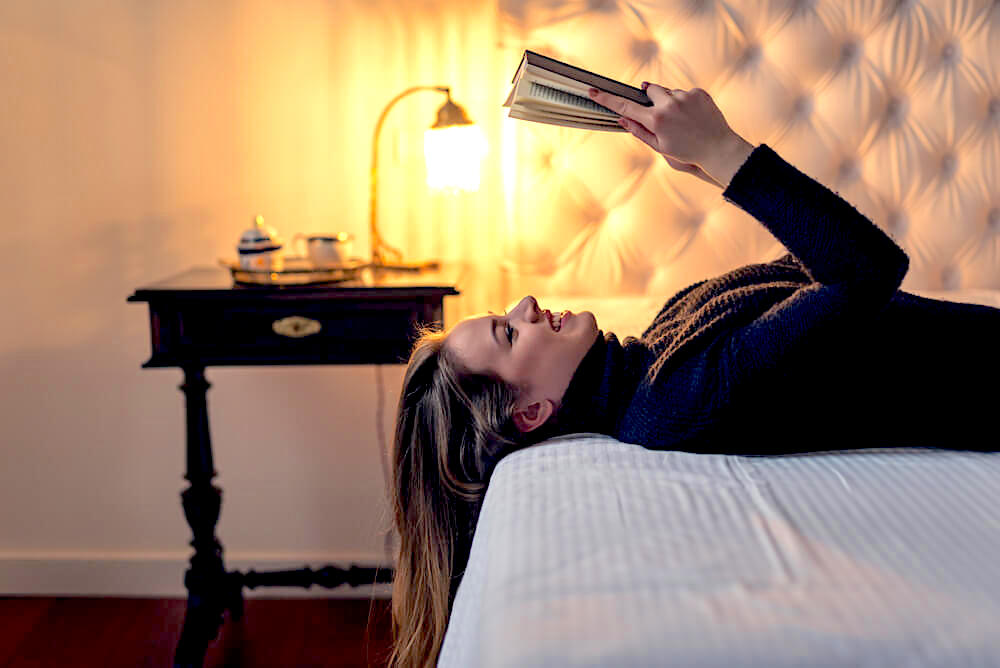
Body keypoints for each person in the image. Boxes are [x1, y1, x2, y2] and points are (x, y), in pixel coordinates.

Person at [386, 83, 1000, 668]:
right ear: (530, 414)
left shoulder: (652, 350)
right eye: (508, 333)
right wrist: (724, 152)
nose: (524, 307)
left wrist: (704, 166)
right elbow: (866, 269)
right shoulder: (674, 399)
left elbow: (820, 268)